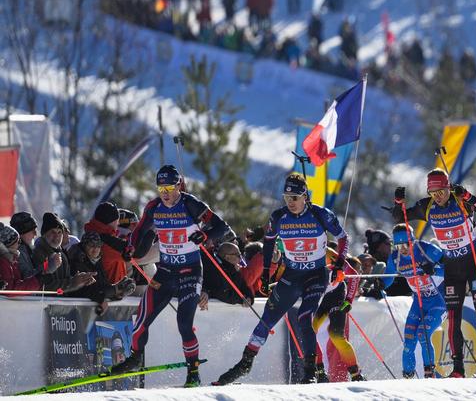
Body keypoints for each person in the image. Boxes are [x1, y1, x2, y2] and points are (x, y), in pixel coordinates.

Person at [215, 173, 349, 385]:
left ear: (305, 195)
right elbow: (268, 244)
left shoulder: (320, 214)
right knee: (268, 317)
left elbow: (342, 237)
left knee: (305, 316)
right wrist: (267, 273)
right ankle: (245, 362)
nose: (290, 202)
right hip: (292, 275)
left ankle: (310, 371)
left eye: (295, 197)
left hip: (315, 275)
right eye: (287, 198)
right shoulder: (279, 217)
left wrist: (340, 263)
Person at [110, 165, 232, 387]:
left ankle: (193, 374)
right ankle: (134, 357)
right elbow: (139, 232)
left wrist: (205, 235)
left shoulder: (191, 204)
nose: (164, 192)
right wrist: (130, 246)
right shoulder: (154, 206)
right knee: (141, 319)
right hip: (166, 272)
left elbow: (222, 227)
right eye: (160, 187)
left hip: (190, 272)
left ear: (178, 185)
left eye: (168, 187)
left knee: (184, 323)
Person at [392, 169, 476, 377]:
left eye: (441, 191)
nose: (438, 196)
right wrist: (399, 202)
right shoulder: (428, 206)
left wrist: (469, 197)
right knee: (453, 317)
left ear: (448, 187)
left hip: (473, 263)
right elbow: (401, 217)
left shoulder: (460, 200)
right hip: (453, 268)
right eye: (433, 193)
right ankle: (458, 368)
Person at [382, 224, 446, 379]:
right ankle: (408, 377)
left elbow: (451, 267)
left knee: (423, 334)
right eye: (399, 245)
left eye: (406, 244)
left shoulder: (426, 249)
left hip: (439, 301)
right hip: (419, 301)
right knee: (409, 339)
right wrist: (379, 285)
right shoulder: (395, 258)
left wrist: (435, 269)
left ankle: (429, 374)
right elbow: (388, 279)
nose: (403, 249)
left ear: (413, 240)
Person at [311, 248, 365, 382]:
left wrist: (349, 300)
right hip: (322, 298)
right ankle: (320, 371)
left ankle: (355, 373)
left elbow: (353, 275)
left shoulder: (329, 254)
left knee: (336, 335)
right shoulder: (296, 254)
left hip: (337, 295)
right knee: (310, 331)